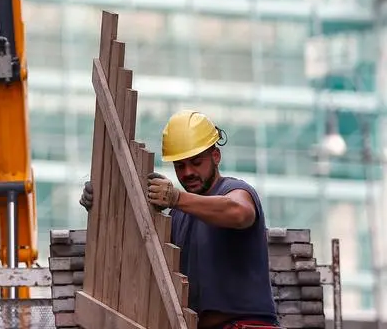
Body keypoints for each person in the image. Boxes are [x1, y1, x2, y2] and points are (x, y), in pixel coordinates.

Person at [79, 109, 278, 329]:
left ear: (216, 156)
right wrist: (100, 207)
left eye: (196, 162)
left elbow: (240, 212)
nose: (188, 172)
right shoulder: (178, 215)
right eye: (180, 165)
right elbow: (137, 255)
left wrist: (176, 197)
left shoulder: (234, 190)